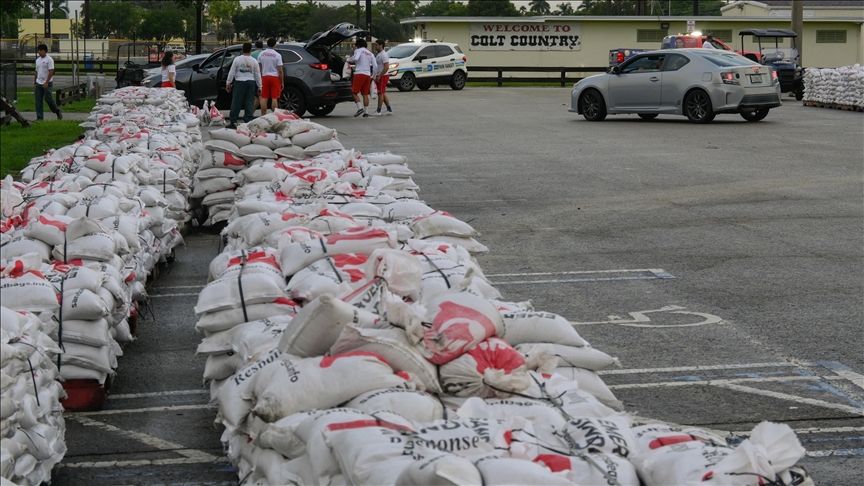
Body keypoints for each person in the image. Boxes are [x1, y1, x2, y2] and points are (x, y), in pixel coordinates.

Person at [225, 42, 262, 128]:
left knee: (236, 102)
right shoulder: (254, 61)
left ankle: (233, 121)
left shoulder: (237, 59)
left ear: (242, 49)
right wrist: (260, 86)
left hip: (239, 82)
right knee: (249, 102)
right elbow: (257, 75)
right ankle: (248, 121)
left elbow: (232, 72)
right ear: (250, 50)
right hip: (251, 82)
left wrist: (228, 83)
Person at [346, 38, 377, 117]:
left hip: (359, 73)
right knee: (365, 94)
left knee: (354, 92)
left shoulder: (358, 50)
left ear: (358, 45)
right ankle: (366, 112)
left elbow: (355, 58)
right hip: (367, 75)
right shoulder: (370, 53)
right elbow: (375, 66)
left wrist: (348, 59)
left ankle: (360, 108)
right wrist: (373, 75)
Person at [34, 44, 62, 121]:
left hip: (47, 82)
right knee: (38, 100)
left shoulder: (49, 60)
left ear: (44, 51)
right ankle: (40, 117)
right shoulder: (37, 60)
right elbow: (36, 71)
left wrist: (46, 82)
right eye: (38, 50)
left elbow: (51, 71)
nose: (39, 52)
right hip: (39, 82)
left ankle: (57, 110)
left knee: (48, 99)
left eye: (40, 50)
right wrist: (35, 82)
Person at [258, 38, 283, 116]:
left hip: (264, 77)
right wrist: (282, 81)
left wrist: (260, 79)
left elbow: (260, 68)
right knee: (274, 98)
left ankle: (263, 116)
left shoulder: (261, 54)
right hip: (275, 77)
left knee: (264, 98)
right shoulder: (277, 55)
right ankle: (275, 115)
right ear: (275, 45)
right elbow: (280, 70)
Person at [371, 39, 393, 116]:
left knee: (380, 93)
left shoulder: (384, 55)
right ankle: (389, 109)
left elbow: (386, 67)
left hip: (383, 76)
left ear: (381, 45)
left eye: (376, 45)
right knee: (382, 93)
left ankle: (378, 110)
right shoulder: (379, 54)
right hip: (380, 75)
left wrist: (380, 75)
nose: (375, 46)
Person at [251, 40, 264, 113]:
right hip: (264, 77)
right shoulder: (264, 54)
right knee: (261, 97)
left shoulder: (252, 54)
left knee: (258, 97)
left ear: (255, 46)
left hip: (255, 78)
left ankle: (251, 112)